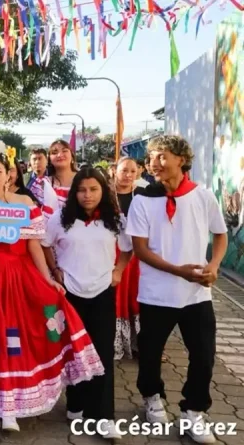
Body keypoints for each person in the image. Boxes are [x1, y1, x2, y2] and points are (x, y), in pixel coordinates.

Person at [0, 151, 103, 432]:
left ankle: (10, 407)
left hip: (16, 277)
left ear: (9, 173)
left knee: (14, 337)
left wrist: (47, 278)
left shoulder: (24, 203)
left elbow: (34, 244)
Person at [127, 136, 227, 444]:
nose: (154, 163)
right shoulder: (143, 198)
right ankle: (152, 397)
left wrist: (214, 266)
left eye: (162, 156)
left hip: (196, 294)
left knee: (204, 355)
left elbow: (220, 235)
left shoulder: (203, 196)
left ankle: (194, 411)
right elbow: (140, 250)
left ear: (181, 159)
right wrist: (178, 271)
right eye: (152, 157)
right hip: (155, 293)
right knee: (151, 354)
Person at [42, 167, 132, 439]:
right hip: (70, 293)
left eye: (94, 189)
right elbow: (45, 244)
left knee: (102, 353)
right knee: (74, 351)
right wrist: (55, 269)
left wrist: (118, 271)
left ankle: (104, 417)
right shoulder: (60, 218)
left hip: (103, 292)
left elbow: (128, 249)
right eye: (81, 190)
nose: (87, 195)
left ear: (103, 191)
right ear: (74, 193)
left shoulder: (114, 219)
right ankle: (76, 403)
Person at [113, 157, 146, 360]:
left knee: (136, 297)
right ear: (114, 171)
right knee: (117, 297)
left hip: (138, 253)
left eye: (132, 172)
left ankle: (140, 344)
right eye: (124, 170)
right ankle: (115, 344)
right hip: (112, 252)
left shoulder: (142, 195)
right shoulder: (105, 194)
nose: (128, 175)